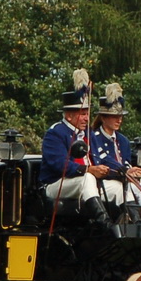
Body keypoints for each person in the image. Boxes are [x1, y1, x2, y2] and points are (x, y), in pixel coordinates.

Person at [42, 71, 100, 208]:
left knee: (119, 186)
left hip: (87, 181)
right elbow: (60, 165)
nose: (87, 118)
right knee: (88, 178)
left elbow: (99, 158)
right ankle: (102, 218)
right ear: (68, 116)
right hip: (57, 184)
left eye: (87, 114)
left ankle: (136, 218)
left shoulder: (89, 133)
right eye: (82, 114)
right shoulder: (55, 133)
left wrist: (120, 171)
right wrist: (88, 169)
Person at [87, 82, 141, 207]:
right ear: (103, 118)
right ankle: (134, 218)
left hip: (123, 181)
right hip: (104, 183)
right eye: (114, 117)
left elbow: (126, 161)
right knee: (123, 189)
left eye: (120, 116)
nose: (119, 120)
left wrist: (133, 171)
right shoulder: (94, 137)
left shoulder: (123, 140)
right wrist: (125, 171)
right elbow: (103, 160)